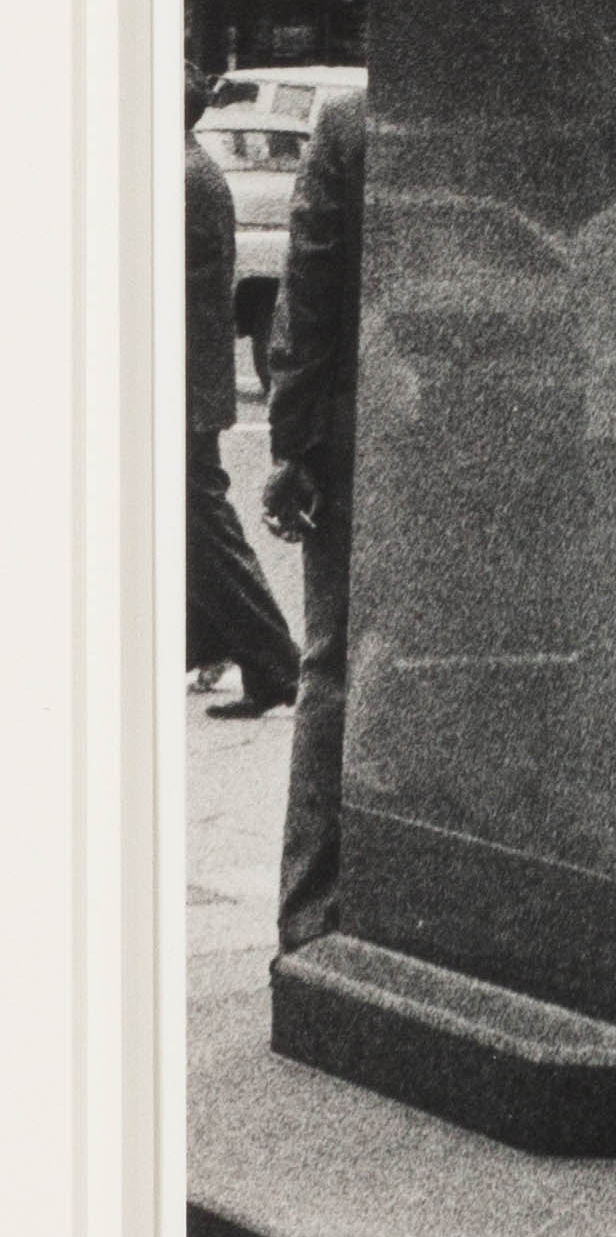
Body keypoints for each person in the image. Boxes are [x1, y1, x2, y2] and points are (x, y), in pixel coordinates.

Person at [262, 83, 366, 950]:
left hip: (361, 435)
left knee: (330, 662)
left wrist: (293, 445)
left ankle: (311, 912)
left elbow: (310, 285)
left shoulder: (348, 120)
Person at [184, 74, 300, 720]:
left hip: (181, 384)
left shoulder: (181, 175)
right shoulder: (193, 168)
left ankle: (273, 660)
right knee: (193, 522)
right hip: (188, 379)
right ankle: (223, 646)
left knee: (203, 524)